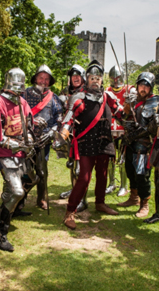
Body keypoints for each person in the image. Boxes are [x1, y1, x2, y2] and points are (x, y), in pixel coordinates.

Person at [53, 60, 124, 230]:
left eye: (98, 78)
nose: (95, 80)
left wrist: (128, 105)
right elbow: (69, 118)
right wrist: (63, 133)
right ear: (87, 78)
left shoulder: (108, 96)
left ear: (102, 80)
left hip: (105, 143)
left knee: (103, 175)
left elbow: (122, 114)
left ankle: (100, 203)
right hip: (86, 143)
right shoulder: (79, 97)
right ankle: (70, 211)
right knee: (84, 178)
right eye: (92, 77)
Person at [0, 68, 33, 252]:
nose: (17, 90)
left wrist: (30, 140)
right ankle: (1, 234)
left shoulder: (23, 103)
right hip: (1, 152)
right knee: (17, 192)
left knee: (32, 179)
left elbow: (27, 129)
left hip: (20, 152)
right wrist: (10, 144)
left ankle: (10, 205)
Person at [22, 64, 63, 211]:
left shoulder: (54, 98)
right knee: (24, 169)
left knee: (42, 170)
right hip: (26, 138)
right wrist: (30, 121)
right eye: (41, 78)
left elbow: (59, 117)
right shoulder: (24, 94)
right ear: (36, 78)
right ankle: (20, 199)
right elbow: (17, 114)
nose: (43, 81)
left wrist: (52, 131)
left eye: (46, 79)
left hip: (44, 139)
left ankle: (42, 198)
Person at [119, 72, 159, 218]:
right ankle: (133, 198)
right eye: (141, 85)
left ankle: (144, 204)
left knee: (142, 174)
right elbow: (123, 118)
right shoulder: (133, 100)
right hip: (130, 142)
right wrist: (127, 106)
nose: (142, 88)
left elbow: (155, 127)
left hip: (144, 145)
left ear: (151, 87)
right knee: (130, 170)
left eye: (146, 86)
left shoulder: (156, 102)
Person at [58, 64, 88, 212]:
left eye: (78, 75)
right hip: (70, 135)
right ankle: (74, 192)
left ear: (83, 78)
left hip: (84, 135)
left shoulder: (87, 92)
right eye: (72, 76)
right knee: (72, 167)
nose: (75, 78)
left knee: (80, 170)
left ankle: (83, 199)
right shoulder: (67, 92)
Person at [106, 65, 136, 196]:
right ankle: (111, 183)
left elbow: (135, 107)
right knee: (110, 158)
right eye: (113, 78)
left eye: (118, 77)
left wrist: (131, 99)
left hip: (124, 129)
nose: (115, 80)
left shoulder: (130, 89)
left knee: (123, 159)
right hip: (110, 128)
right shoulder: (107, 91)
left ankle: (124, 186)